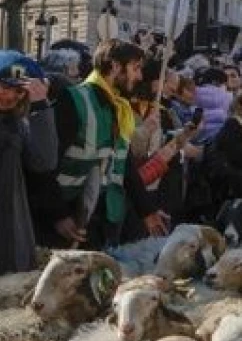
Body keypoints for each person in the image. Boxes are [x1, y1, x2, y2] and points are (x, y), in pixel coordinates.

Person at [37, 39, 165, 249]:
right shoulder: (74, 100)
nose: (140, 76)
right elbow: (46, 163)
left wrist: (147, 211)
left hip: (101, 219)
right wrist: (57, 214)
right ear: (115, 66)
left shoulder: (118, 107)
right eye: (135, 68)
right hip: (66, 221)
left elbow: (124, 164)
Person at [0, 52, 55, 274]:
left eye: (19, 91)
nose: (10, 96)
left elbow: (44, 162)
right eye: (4, 87)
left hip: (10, 231)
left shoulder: (20, 126)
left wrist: (41, 106)